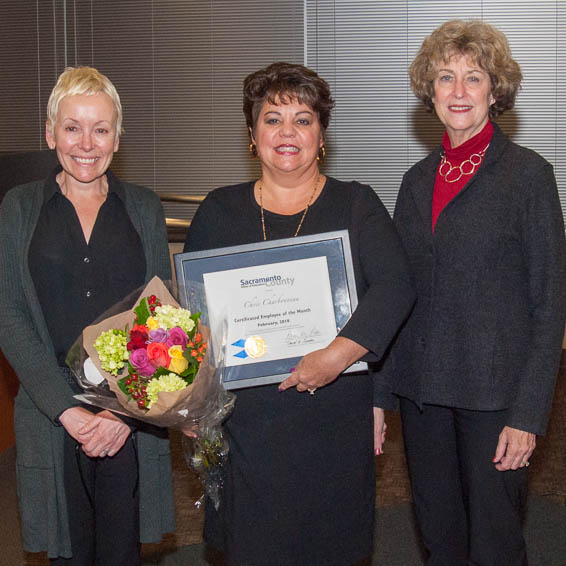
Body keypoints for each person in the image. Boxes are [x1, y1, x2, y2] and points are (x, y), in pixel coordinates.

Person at [183, 61, 415, 566]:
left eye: (303, 119)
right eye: (272, 119)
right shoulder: (218, 211)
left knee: (330, 548)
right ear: (252, 134)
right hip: (246, 425)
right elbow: (193, 320)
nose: (287, 132)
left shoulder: (356, 205)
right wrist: (190, 403)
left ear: (322, 135)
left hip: (332, 413)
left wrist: (336, 356)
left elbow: (397, 288)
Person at [389, 20, 566, 566]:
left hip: (497, 400)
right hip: (423, 397)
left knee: (495, 546)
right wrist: (379, 394)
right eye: (446, 77)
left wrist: (530, 414)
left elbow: (549, 304)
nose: (459, 91)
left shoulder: (529, 176)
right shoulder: (416, 180)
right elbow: (397, 294)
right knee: (440, 543)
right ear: (430, 90)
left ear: (496, 89)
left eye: (474, 77)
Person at [0, 67, 175, 565]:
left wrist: (122, 411)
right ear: (50, 131)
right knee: (66, 552)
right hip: (50, 413)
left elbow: (162, 318)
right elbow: (8, 312)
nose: (86, 142)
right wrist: (68, 410)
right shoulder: (19, 208)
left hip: (129, 418)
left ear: (118, 137)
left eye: (101, 128)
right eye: (72, 126)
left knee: (124, 552)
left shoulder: (143, 208)